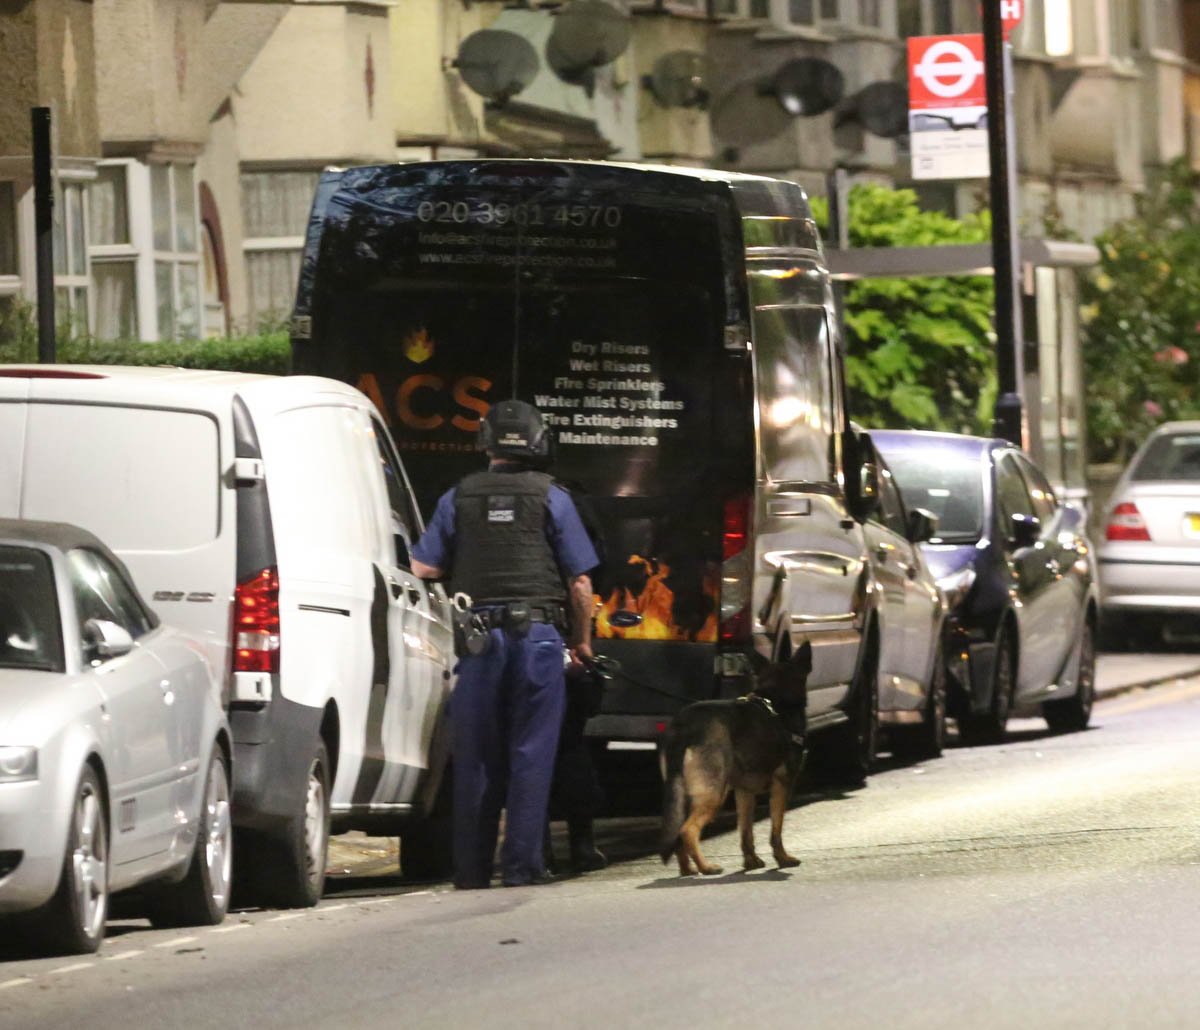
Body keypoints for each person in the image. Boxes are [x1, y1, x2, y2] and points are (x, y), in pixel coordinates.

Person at [411, 399, 598, 889]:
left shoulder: (459, 496)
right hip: (538, 640)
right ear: (538, 442)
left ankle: (471, 871)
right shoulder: (553, 497)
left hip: (479, 641)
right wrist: (582, 644)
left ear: (486, 442)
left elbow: (424, 568)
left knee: (474, 756)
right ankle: (522, 867)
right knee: (531, 755)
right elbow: (579, 583)